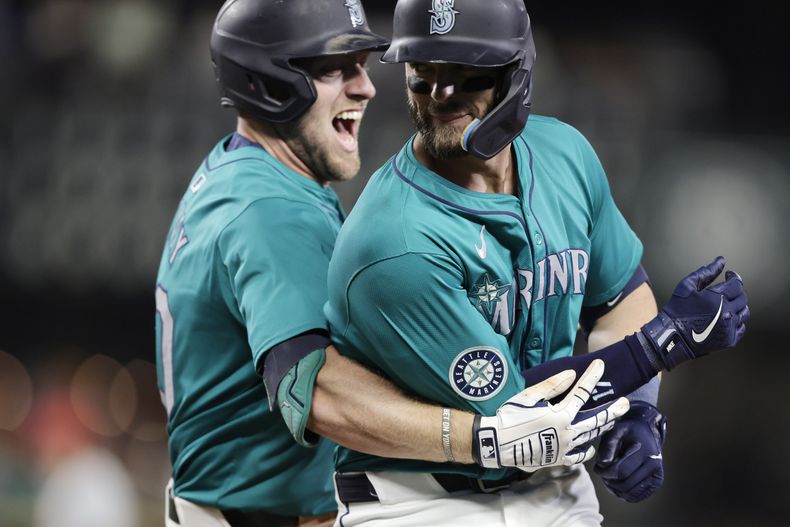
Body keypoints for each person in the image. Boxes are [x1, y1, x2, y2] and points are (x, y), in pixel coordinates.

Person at [154, 1, 626, 526]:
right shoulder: (273, 212)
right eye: (336, 68)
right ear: (269, 83)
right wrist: (480, 437)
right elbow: (314, 392)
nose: (366, 86)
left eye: (363, 64)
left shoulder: (243, 174)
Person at [324, 0, 750, 525]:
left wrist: (637, 412)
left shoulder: (564, 153)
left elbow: (618, 301)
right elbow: (512, 415)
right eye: (424, 73)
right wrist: (659, 345)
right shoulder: (394, 239)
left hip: (552, 484)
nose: (439, 94)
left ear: (516, 74)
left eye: (465, 74)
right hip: (421, 499)